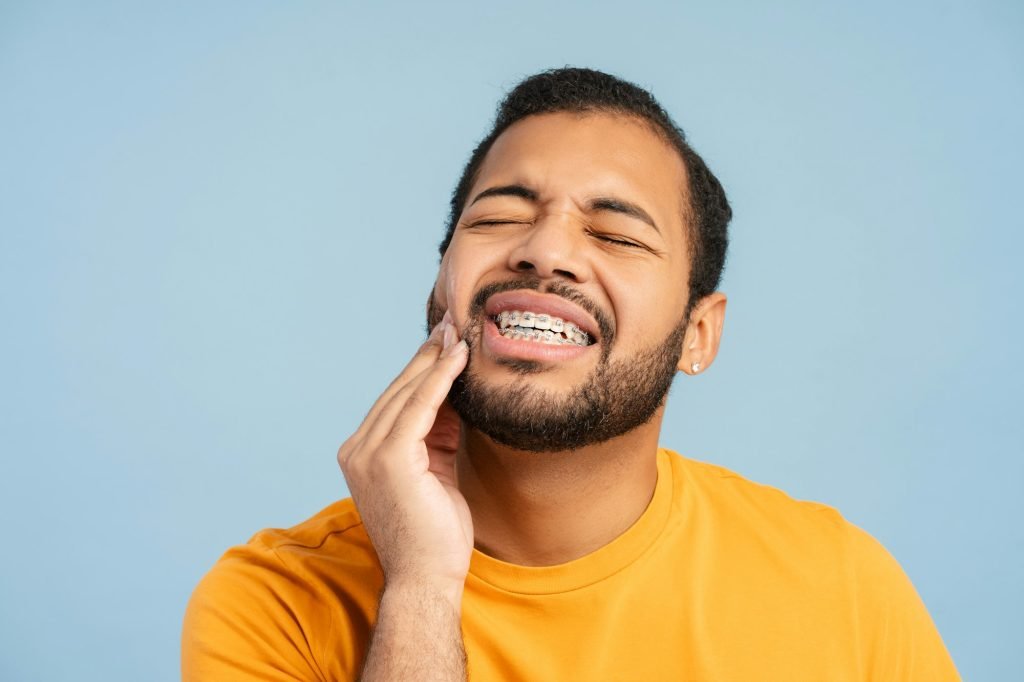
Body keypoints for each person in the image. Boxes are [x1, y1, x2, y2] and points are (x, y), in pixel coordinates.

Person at [182, 67, 960, 681]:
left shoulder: (840, 584)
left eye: (616, 234)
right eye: (498, 217)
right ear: (438, 296)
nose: (545, 251)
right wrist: (419, 587)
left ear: (699, 333)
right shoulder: (275, 602)